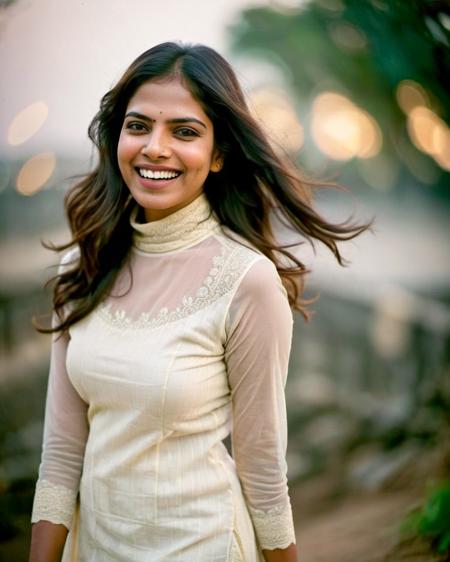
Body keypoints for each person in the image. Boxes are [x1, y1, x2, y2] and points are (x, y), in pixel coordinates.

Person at [29, 42, 370, 562]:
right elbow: (60, 452)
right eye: (138, 126)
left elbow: (261, 464)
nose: (155, 148)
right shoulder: (81, 268)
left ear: (218, 155)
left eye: (184, 132)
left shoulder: (247, 281)